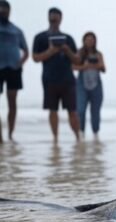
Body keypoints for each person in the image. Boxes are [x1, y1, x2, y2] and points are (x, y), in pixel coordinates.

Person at [32, 7, 80, 143]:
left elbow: (77, 60)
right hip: (49, 79)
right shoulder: (40, 37)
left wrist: (66, 50)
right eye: (51, 18)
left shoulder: (68, 39)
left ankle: (78, 138)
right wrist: (51, 51)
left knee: (73, 111)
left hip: (68, 80)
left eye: (56, 18)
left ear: (60, 19)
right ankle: (55, 139)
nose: (53, 21)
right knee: (52, 110)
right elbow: (35, 58)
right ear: (48, 18)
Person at [0, 0, 28, 143]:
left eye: (5, 9)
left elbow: (26, 51)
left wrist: (20, 63)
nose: (2, 11)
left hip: (13, 69)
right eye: (0, 8)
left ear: (9, 11)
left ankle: (10, 134)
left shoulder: (17, 31)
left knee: (12, 102)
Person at [73, 32, 105, 140]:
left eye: (92, 39)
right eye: (88, 39)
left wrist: (95, 64)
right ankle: (81, 132)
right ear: (84, 40)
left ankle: (95, 133)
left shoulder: (98, 54)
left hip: (96, 84)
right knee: (80, 110)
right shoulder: (79, 53)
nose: (90, 41)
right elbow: (73, 67)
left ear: (95, 41)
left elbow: (103, 68)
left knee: (95, 112)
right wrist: (84, 66)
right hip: (82, 84)